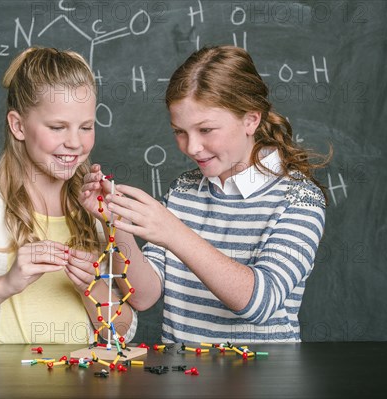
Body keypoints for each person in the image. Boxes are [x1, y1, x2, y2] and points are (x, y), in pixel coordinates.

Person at [81, 45, 329, 343]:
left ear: (251, 119)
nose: (192, 147)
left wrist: (174, 233)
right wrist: (117, 224)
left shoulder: (300, 198)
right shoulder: (183, 190)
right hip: (184, 380)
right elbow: (144, 296)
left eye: (206, 130)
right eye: (180, 132)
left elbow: (261, 302)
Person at [0, 47, 136, 344]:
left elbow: (124, 332)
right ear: (18, 126)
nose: (74, 143)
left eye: (86, 127)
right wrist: (6, 283)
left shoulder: (95, 209)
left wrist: (91, 288)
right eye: (57, 127)